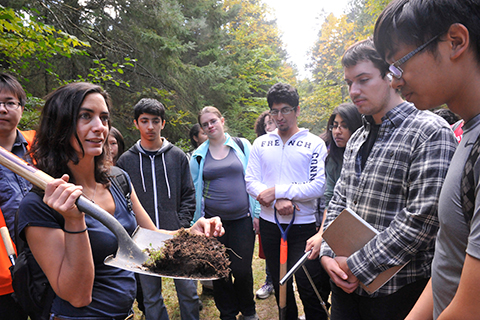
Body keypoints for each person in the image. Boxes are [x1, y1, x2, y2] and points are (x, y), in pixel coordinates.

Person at [16, 82, 224, 319]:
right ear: (60, 124)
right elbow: (77, 295)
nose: (100, 128)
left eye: (104, 118)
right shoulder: (42, 204)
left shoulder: (118, 179)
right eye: (85, 116)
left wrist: (189, 233)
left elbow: (150, 242)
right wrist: (74, 221)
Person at [306, 39, 457, 320]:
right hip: (344, 286)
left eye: (363, 79)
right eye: (349, 82)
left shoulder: (429, 131)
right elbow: (340, 199)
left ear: (391, 75)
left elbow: (423, 220)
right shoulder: (356, 138)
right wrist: (327, 253)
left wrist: (357, 265)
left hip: (399, 291)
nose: (354, 91)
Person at [374, 1, 480, 319]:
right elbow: (450, 261)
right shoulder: (467, 131)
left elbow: (471, 308)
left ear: (456, 42)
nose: (394, 81)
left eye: (399, 64)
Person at [245, 83, 329, 320]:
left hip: (303, 227)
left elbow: (318, 185)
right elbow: (250, 180)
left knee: (308, 285)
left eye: (285, 110)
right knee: (281, 285)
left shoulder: (314, 143)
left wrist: (279, 192)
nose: (279, 117)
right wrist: (276, 199)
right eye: (274, 111)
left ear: (298, 110)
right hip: (271, 226)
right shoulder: (262, 143)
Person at [116, 98, 199, 320]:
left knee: (188, 292)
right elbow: (122, 201)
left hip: (177, 235)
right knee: (151, 296)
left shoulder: (178, 156)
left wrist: (180, 224)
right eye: (144, 121)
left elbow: (189, 194)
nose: (150, 127)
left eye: (155, 121)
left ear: (163, 123)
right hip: (143, 239)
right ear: (136, 123)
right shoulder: (125, 161)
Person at [189, 106, 259, 320]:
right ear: (202, 129)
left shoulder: (242, 146)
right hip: (213, 224)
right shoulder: (198, 156)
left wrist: (256, 213)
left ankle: (248, 310)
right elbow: (193, 189)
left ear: (222, 120)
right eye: (205, 124)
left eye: (213, 121)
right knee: (218, 270)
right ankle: (227, 313)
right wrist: (196, 222)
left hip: (242, 220)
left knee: (241, 269)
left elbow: (254, 178)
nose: (210, 126)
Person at [0, 73, 32, 320]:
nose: (3, 109)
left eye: (10, 103)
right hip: (4, 273)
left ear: (21, 107)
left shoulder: (39, 147)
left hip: (46, 261)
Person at [253, 110, 277, 300]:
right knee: (269, 250)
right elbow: (252, 182)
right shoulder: (258, 150)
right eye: (267, 124)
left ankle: (286, 281)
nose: (270, 127)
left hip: (289, 211)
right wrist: (256, 212)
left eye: (273, 123)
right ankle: (271, 281)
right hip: (265, 209)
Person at [323, 103, 362, 209]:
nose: (337, 132)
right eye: (335, 126)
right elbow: (330, 196)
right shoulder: (332, 159)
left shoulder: (365, 158)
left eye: (344, 126)